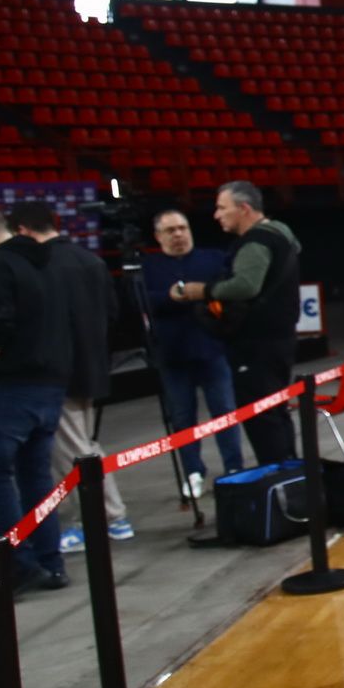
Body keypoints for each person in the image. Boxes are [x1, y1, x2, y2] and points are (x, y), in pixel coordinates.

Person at [0, 203, 71, 591]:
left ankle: (16, 564)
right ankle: (50, 562)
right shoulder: (45, 262)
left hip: (10, 387)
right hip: (49, 384)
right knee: (35, 474)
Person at [9, 201, 133, 554]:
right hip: (92, 366)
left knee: (73, 451)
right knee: (83, 444)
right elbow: (112, 313)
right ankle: (106, 517)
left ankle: (108, 517)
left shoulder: (41, 264)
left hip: (58, 372)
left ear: (22, 231)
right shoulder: (90, 260)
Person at [176, 181, 299, 466]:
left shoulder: (256, 241)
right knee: (276, 411)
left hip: (256, 346)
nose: (217, 215)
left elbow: (245, 285)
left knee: (263, 418)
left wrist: (203, 291)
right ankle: (291, 473)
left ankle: (278, 479)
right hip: (280, 340)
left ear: (244, 209)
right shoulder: (281, 233)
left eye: (222, 208)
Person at [141, 209, 242, 497]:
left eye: (182, 228)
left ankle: (234, 467)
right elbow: (140, 300)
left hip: (212, 348)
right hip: (172, 354)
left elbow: (227, 290)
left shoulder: (213, 259)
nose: (178, 234)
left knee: (224, 411)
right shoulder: (148, 267)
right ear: (158, 236)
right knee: (182, 417)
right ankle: (193, 472)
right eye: (170, 230)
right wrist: (169, 297)